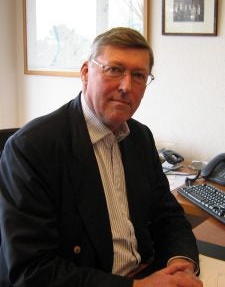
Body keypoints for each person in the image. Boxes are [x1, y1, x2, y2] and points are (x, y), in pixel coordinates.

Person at [0, 27, 202, 287]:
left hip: (142, 272)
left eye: (139, 75)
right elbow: (33, 271)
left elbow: (168, 216)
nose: (126, 86)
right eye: (114, 70)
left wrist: (180, 262)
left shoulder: (140, 137)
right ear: (85, 73)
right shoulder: (32, 148)